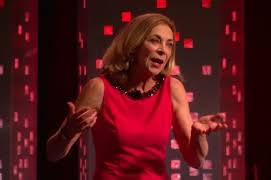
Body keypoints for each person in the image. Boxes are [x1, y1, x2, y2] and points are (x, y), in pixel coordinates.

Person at [46, 13, 227, 179]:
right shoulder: (99, 88)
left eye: (169, 44)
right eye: (155, 41)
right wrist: (67, 132)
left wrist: (198, 135)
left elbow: (196, 160)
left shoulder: (172, 88)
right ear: (134, 45)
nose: (163, 50)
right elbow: (52, 154)